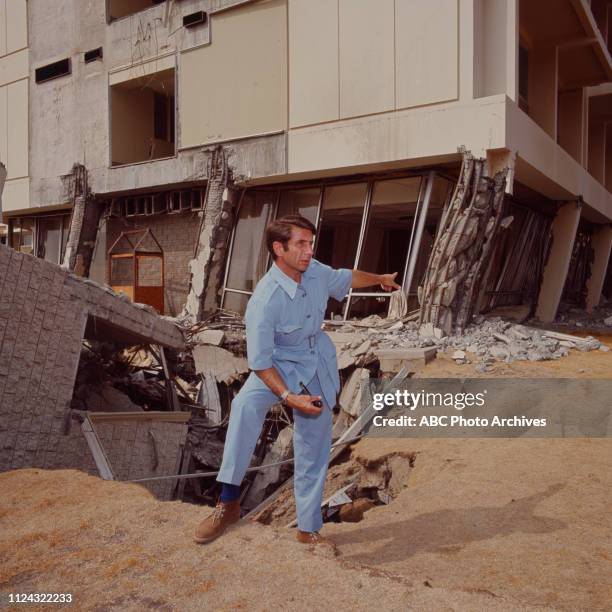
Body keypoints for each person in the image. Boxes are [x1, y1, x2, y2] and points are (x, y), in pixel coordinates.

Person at [194, 214, 400, 547]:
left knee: (315, 446)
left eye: (311, 243)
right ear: (279, 248)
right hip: (277, 364)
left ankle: (307, 529)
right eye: (301, 244)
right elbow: (260, 363)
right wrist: (289, 397)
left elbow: (345, 277)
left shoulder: (315, 271)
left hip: (315, 361)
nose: (309, 251)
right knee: (246, 407)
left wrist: (380, 278)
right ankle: (227, 503)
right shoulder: (264, 300)